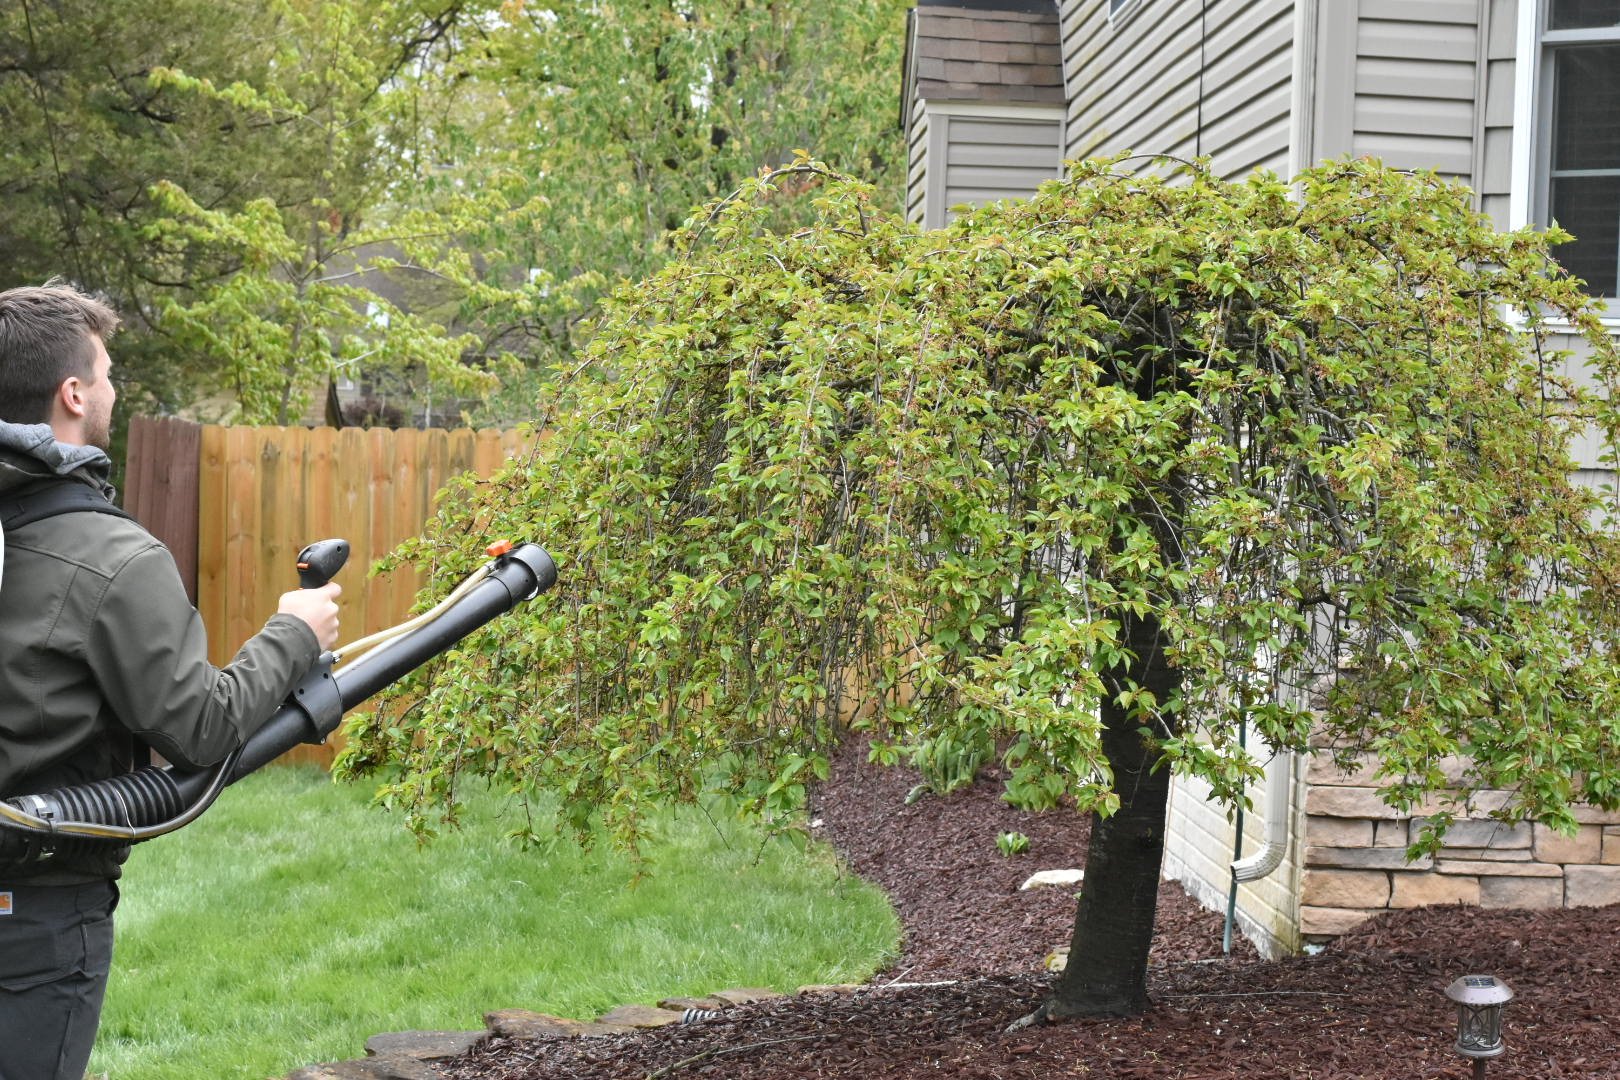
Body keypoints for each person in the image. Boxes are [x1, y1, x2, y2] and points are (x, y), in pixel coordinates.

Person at [0, 281, 341, 1079]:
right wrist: (295, 632)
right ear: (73, 393)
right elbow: (201, 727)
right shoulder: (113, 559)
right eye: (109, 373)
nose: (115, 389)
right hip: (37, 921)